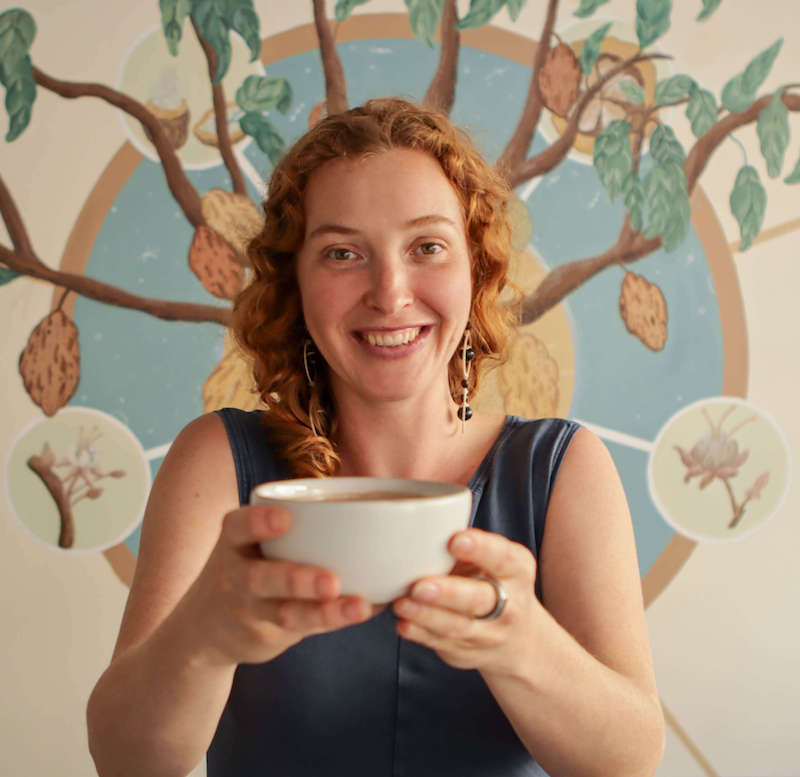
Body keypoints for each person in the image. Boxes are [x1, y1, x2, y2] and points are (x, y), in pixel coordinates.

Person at [87, 98, 665, 777]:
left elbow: (630, 761)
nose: (390, 293)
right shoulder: (216, 461)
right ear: (293, 282)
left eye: (427, 247)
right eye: (341, 253)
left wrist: (521, 640)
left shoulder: (561, 469)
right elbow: (126, 760)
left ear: (474, 266)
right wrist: (205, 635)